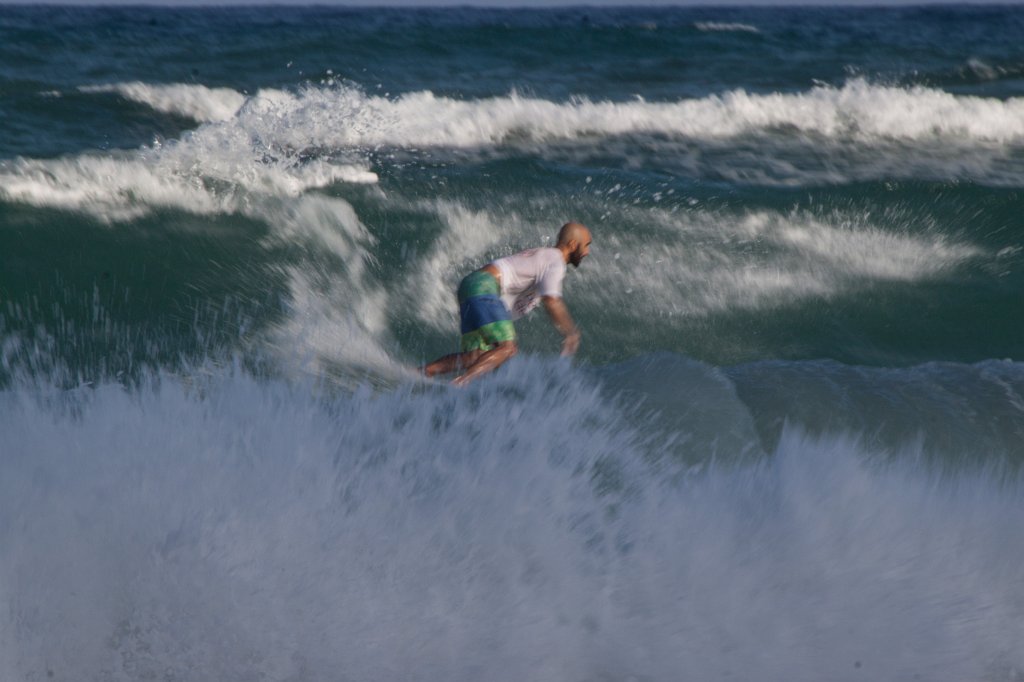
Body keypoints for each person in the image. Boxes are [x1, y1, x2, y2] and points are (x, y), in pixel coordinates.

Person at [422, 222, 592, 386]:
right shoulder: (555, 260)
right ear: (572, 244)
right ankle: (460, 384)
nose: (587, 251)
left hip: (470, 286)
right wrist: (571, 333)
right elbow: (551, 300)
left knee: (475, 356)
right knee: (507, 348)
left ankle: (424, 372)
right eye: (586, 245)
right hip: (485, 285)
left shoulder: (545, 256)